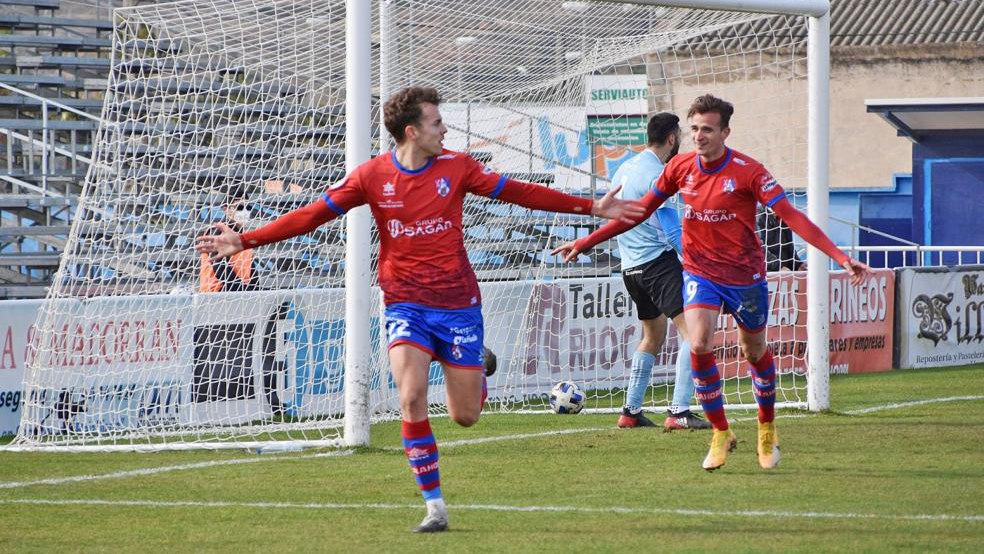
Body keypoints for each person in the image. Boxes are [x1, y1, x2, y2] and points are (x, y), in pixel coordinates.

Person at [195, 86, 644, 532]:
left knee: (464, 417)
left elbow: (518, 193)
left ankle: (477, 368)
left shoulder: (458, 167)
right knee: (409, 397)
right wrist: (246, 239)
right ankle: (434, 507)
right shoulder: (372, 175)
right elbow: (313, 214)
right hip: (405, 302)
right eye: (436, 122)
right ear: (412, 131)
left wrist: (589, 206)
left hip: (457, 305)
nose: (444, 129)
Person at [553, 93, 870, 472]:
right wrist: (585, 241)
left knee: (754, 351)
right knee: (699, 342)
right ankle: (719, 432)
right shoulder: (678, 169)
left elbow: (791, 217)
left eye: (707, 129)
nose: (699, 136)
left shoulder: (749, 171)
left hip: (744, 278)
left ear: (725, 132)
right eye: (694, 129)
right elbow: (638, 214)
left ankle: (766, 426)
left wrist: (839, 256)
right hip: (700, 274)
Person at [558, 113, 709, 431]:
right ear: (671, 139)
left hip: (630, 268)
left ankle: (630, 411)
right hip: (658, 264)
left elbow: (618, 219)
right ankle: (680, 411)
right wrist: (697, 263)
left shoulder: (624, 169)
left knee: (652, 337)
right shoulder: (659, 173)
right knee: (693, 334)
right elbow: (670, 231)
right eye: (681, 135)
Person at [199, 194, 257, 292]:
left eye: (248, 207)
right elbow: (220, 268)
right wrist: (245, 291)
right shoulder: (217, 231)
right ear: (226, 209)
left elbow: (251, 269)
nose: (245, 212)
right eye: (240, 207)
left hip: (240, 290)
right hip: (217, 292)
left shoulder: (243, 235)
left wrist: (256, 290)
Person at [758, 204, 806, 272]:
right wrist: (779, 267)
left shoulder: (784, 217)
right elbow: (759, 248)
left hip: (785, 270)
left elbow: (789, 245)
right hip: (768, 273)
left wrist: (798, 264)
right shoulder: (758, 217)